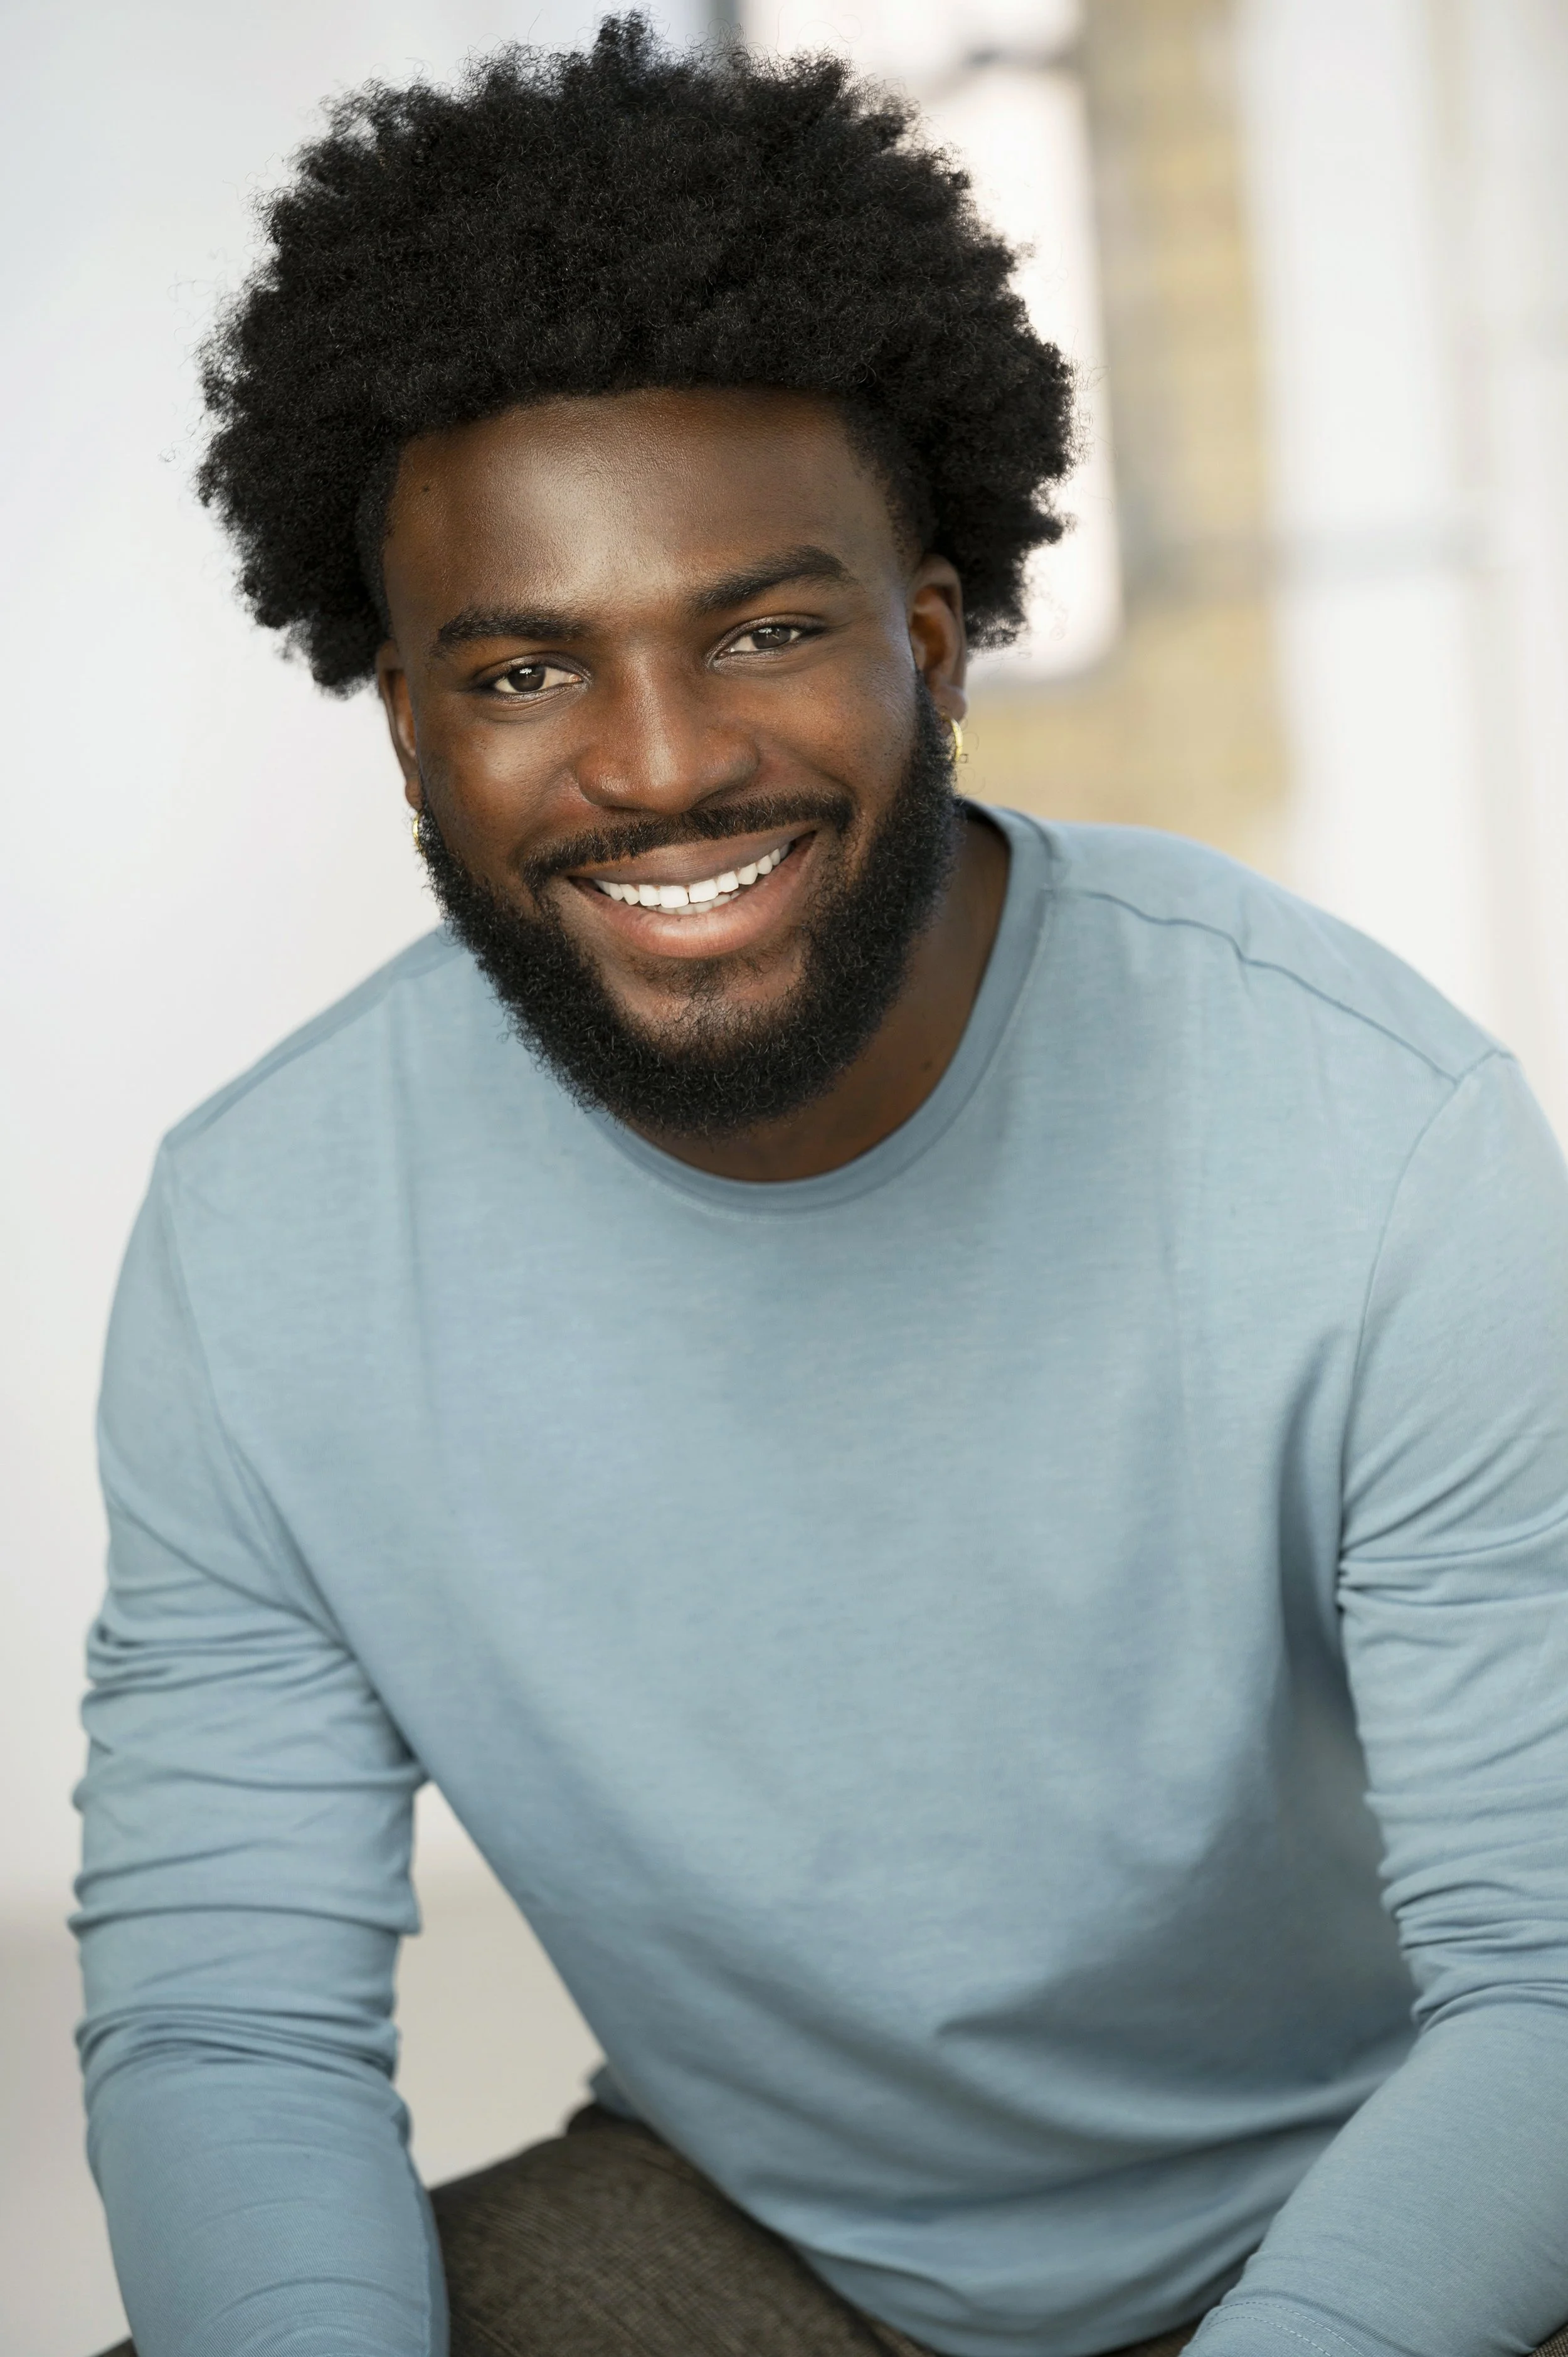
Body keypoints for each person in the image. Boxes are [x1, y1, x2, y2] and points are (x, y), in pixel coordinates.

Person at [74, 18, 1568, 2357]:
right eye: (524, 666)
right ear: (404, 722)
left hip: (1391, 2211)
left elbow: (1552, 1990)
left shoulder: (1374, 1134)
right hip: (769, 2242)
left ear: (935, 640)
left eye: (764, 628)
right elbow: (230, 2028)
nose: (660, 766)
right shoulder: (261, 1245)